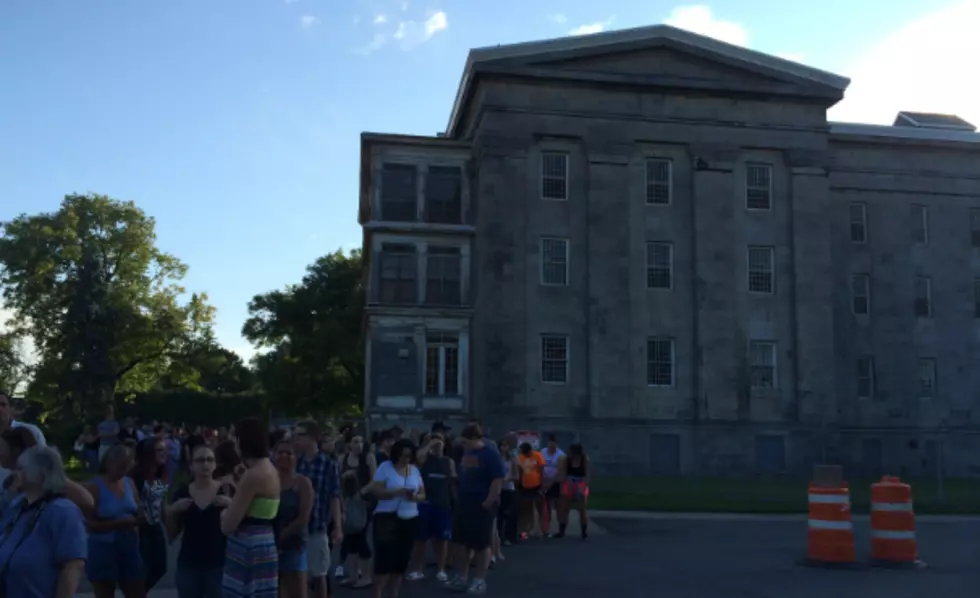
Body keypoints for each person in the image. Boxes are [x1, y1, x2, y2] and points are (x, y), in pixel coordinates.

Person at [0, 446, 87, 598]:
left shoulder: (63, 511)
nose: (15, 474)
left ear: (40, 472)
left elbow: (72, 566)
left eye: (21, 469)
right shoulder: (18, 507)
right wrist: (9, 493)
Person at [220, 417, 281, 598]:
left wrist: (224, 511)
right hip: (266, 542)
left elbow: (228, 525)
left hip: (247, 546)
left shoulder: (252, 476)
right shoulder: (271, 470)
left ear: (241, 441)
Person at [445, 424, 505, 595]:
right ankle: (462, 577)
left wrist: (489, 500)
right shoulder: (467, 453)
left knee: (481, 543)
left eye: (465, 442)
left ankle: (479, 580)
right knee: (460, 541)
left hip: (482, 502)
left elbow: (498, 479)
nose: (463, 445)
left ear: (474, 439)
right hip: (465, 502)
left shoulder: (490, 454)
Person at [168, 444, 232, 598]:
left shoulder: (226, 490)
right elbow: (172, 535)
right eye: (200, 460)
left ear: (215, 465)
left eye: (210, 460)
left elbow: (240, 524)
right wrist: (173, 510)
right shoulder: (182, 493)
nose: (205, 464)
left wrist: (230, 503)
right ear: (191, 466)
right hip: (189, 564)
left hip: (218, 563)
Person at [85, 444, 145, 598]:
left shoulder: (129, 483)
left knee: (136, 590)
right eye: (121, 467)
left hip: (129, 545)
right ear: (109, 463)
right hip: (103, 547)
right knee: (105, 592)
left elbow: (138, 506)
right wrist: (117, 524)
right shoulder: (94, 487)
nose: (123, 472)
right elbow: (88, 524)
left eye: (127, 467)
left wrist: (141, 514)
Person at [367, 438, 423, 598]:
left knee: (402, 559)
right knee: (384, 558)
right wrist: (397, 492)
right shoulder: (385, 467)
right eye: (402, 455)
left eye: (408, 456)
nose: (405, 459)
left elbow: (423, 493)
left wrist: (416, 497)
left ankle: (394, 594)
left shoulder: (414, 470)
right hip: (387, 517)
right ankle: (377, 593)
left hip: (409, 516)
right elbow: (377, 491)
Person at [292, 419, 342, 598]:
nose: (296, 439)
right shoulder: (296, 462)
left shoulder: (328, 463)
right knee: (298, 574)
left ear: (313, 437)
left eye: (301, 435)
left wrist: (337, 527)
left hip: (317, 525)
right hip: (296, 526)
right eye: (295, 435)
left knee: (319, 573)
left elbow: (334, 496)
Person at [407, 433, 455, 582]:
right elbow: (417, 458)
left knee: (442, 539)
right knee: (420, 540)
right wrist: (429, 445)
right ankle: (417, 569)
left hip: (442, 504)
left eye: (440, 441)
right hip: (424, 504)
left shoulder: (448, 461)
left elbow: (453, 480)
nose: (438, 444)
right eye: (435, 442)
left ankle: (441, 569)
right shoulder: (425, 459)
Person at [274, 439, 314, 598]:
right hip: (269, 547)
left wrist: (282, 535)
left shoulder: (303, 483)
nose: (284, 456)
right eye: (280, 452)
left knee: (297, 593)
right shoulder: (268, 481)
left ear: (296, 458)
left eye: (289, 453)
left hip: (294, 545)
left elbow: (304, 517)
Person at [131, 437, 171, 591]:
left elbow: (162, 502)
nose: (164, 453)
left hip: (155, 526)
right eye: (160, 450)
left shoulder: (161, 474)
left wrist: (170, 526)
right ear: (149, 453)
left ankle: (138, 594)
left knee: (160, 567)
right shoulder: (136, 476)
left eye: (165, 449)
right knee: (143, 569)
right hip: (140, 528)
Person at [336, 434, 376, 587]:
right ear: (349, 444)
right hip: (347, 503)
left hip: (363, 503)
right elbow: (338, 480)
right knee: (350, 539)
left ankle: (366, 576)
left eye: (360, 441)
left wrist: (362, 493)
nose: (358, 444)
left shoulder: (368, 458)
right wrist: (341, 502)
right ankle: (354, 574)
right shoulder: (343, 459)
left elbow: (375, 479)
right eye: (355, 441)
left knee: (361, 538)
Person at [337, 471, 372, 588]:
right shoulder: (347, 495)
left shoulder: (359, 495)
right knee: (352, 549)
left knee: (361, 549)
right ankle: (354, 575)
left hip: (357, 525)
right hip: (353, 526)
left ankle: (366, 577)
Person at [556, 443, 591, 539]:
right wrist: (561, 484)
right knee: (565, 508)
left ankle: (584, 532)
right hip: (569, 481)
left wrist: (583, 488)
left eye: (570, 451)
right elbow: (563, 473)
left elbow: (587, 474)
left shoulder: (584, 459)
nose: (568, 453)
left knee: (582, 509)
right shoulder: (566, 460)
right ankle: (561, 531)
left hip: (581, 481)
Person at [516, 442, 545, 541]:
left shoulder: (538, 456)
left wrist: (542, 485)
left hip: (536, 485)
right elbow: (519, 471)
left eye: (526, 453)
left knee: (539, 507)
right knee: (526, 508)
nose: (525, 455)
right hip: (525, 486)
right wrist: (518, 484)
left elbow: (541, 471)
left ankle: (541, 530)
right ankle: (527, 530)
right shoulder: (520, 457)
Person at [540, 434, 565, 537]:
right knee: (547, 507)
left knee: (559, 506)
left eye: (553, 443)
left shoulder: (561, 455)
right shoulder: (542, 452)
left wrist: (551, 482)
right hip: (544, 481)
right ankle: (546, 530)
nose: (551, 445)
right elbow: (540, 467)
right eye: (550, 443)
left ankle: (561, 529)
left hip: (556, 482)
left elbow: (560, 471)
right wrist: (543, 482)